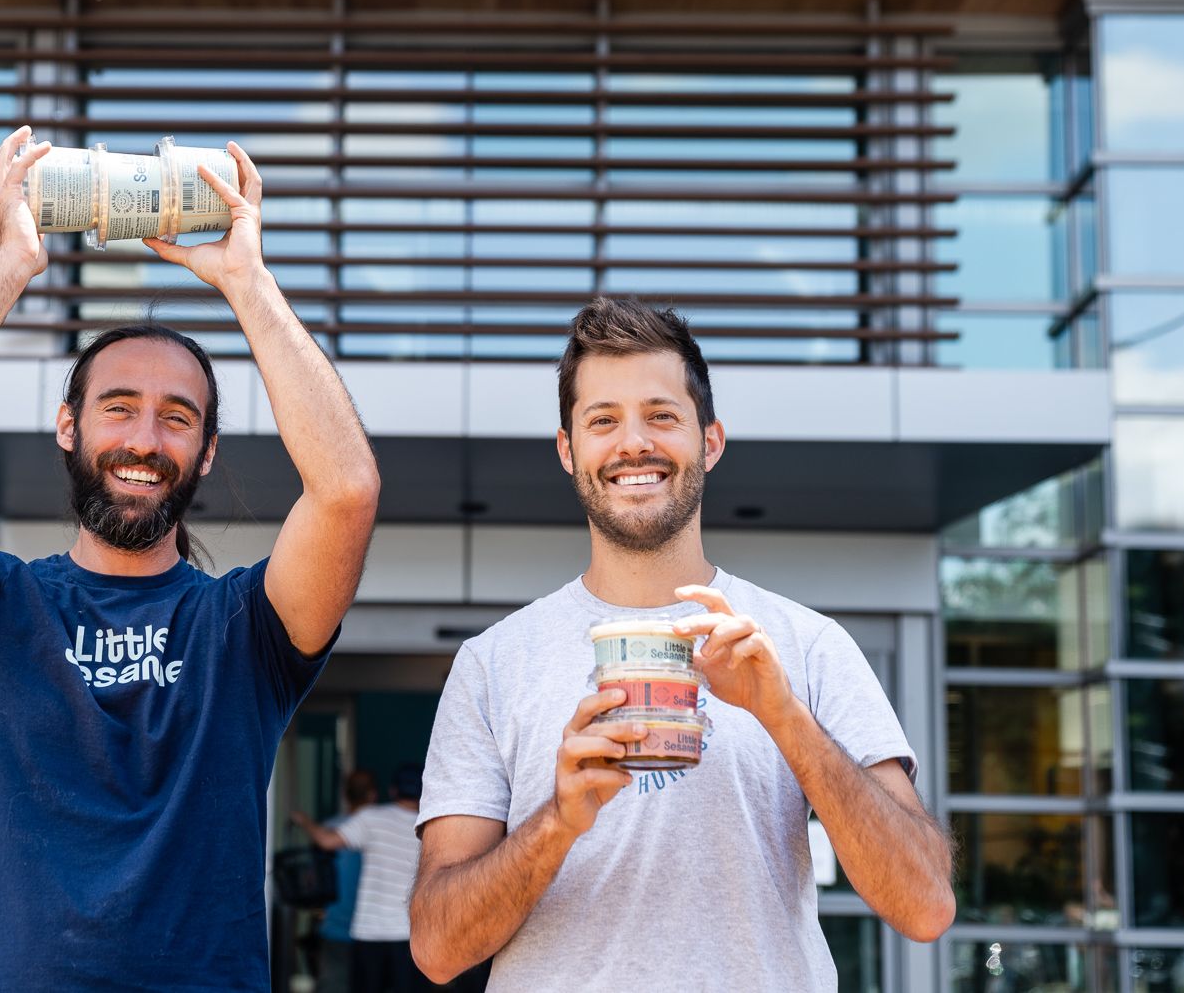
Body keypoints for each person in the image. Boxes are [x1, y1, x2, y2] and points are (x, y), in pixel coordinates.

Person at [0, 126, 380, 991]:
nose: (143, 437)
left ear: (205, 453)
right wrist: (12, 262)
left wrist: (248, 282)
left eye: (176, 417)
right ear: (69, 427)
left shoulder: (247, 631)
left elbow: (347, 489)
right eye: (118, 407)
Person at [408, 297, 954, 990]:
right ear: (568, 449)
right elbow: (436, 948)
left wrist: (781, 714)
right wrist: (557, 823)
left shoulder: (807, 645)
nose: (633, 443)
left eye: (662, 416)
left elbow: (925, 905)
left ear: (711, 441)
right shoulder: (492, 663)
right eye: (602, 421)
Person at [294, 765, 429, 993]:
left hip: (369, 932)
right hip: (410, 936)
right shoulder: (429, 827)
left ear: (393, 791)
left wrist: (304, 820)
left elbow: (327, 841)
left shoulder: (372, 818)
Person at [314, 769, 381, 990]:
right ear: (373, 796)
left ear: (345, 794)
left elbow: (315, 879)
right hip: (377, 931)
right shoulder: (386, 829)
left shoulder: (330, 829)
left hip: (336, 926)